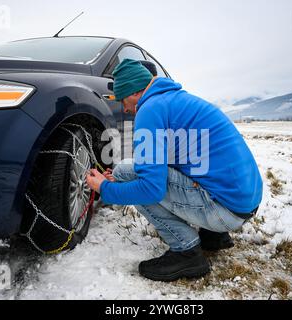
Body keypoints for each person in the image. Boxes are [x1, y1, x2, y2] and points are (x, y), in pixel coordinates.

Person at [86, 59, 263, 282]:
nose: (124, 109)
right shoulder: (176, 101)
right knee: (129, 171)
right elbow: (180, 158)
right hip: (244, 200)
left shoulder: (149, 110)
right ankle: (214, 236)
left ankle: (186, 251)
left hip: (225, 210)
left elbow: (151, 189)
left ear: (134, 92)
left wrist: (106, 188)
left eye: (123, 100)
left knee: (130, 175)